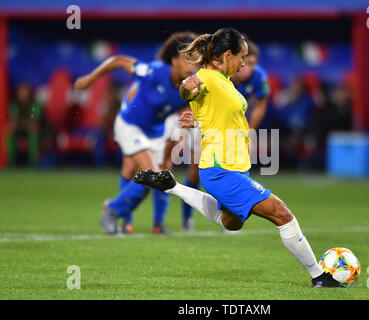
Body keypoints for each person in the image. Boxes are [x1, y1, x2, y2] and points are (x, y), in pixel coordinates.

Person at [133, 28, 345, 287]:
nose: (244, 62)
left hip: (232, 167)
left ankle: (172, 186)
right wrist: (186, 90)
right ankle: (319, 277)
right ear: (228, 54)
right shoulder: (207, 77)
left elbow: (215, 113)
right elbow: (189, 91)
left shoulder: (224, 81)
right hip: (221, 169)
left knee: (230, 222)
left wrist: (198, 119)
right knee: (282, 214)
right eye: (242, 57)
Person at [74, 32, 198, 235]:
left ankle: (118, 210)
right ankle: (112, 212)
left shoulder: (190, 87)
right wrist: (89, 79)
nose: (193, 65)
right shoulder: (155, 71)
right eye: (189, 59)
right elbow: (119, 60)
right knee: (154, 175)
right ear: (174, 60)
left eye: (196, 60)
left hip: (156, 133)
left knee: (152, 183)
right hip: (130, 126)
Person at [179, 38, 270, 232]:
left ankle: (227, 216)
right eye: (245, 59)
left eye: (252, 62)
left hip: (233, 134)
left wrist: (250, 132)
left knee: (236, 171)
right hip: (208, 129)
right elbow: (194, 94)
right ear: (231, 56)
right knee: (195, 171)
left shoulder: (256, 76)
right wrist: (196, 120)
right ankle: (187, 219)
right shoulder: (219, 74)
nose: (248, 67)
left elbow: (261, 105)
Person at [8, 82, 44, 167]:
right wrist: (20, 124)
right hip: (19, 130)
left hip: (34, 131)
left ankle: (33, 163)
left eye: (24, 92)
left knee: (33, 132)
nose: (23, 94)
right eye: (21, 92)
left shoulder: (34, 105)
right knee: (9, 133)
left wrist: (22, 123)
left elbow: (33, 121)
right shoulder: (14, 104)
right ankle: (11, 162)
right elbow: (14, 121)